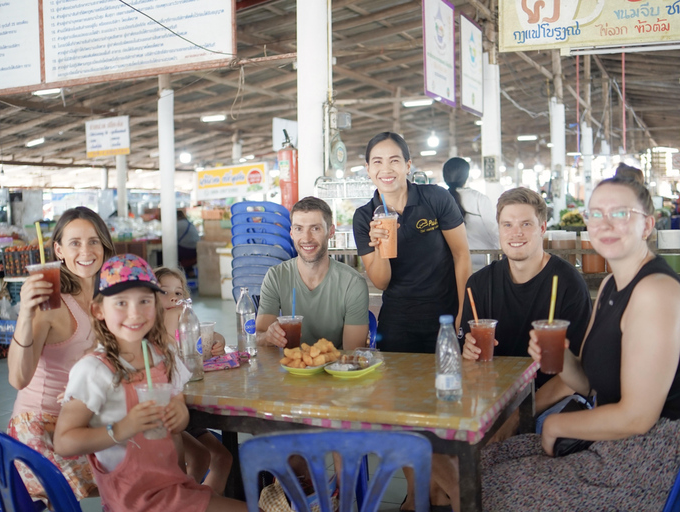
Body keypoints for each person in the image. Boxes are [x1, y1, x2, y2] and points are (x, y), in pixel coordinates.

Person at [437, 175, 680, 511]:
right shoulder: (612, 284)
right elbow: (589, 382)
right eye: (596, 214)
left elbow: (638, 417)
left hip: (647, 460)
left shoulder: (655, 293)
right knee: (475, 463)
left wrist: (554, 423)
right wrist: (562, 357)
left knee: (480, 483)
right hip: (612, 439)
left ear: (647, 225)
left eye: (620, 213)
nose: (605, 223)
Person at [53, 254, 246, 512]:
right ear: (98, 310)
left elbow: (178, 412)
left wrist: (179, 416)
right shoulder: (94, 370)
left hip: (173, 488)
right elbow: (64, 442)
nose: (134, 313)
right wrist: (121, 429)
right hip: (133, 501)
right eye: (121, 302)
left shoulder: (162, 355)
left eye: (144, 301)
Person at [7, 206, 116, 502]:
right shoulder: (50, 304)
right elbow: (18, 378)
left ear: (105, 245)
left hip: (84, 419)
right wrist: (26, 315)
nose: (86, 251)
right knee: (126, 475)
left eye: (94, 241)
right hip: (42, 427)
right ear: (58, 250)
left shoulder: (108, 298)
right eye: (75, 243)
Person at [459, 187, 592, 394]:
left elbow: (578, 374)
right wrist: (468, 353)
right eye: (507, 225)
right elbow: (467, 364)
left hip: (550, 401)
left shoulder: (568, 283)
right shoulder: (479, 284)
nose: (516, 233)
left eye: (526, 224)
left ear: (542, 228)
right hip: (494, 396)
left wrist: (525, 413)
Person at [353, 132, 472, 353]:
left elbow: (461, 256)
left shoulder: (436, 198)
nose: (386, 169)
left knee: (449, 383)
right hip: (397, 322)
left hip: (445, 317)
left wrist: (463, 314)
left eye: (394, 160)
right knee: (398, 386)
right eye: (377, 162)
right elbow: (381, 282)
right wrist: (380, 247)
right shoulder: (364, 216)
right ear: (368, 169)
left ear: (408, 166)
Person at [155, 266, 232, 494]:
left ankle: (196, 502)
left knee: (221, 457)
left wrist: (217, 341)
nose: (172, 297)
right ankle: (188, 501)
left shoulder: (183, 320)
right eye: (164, 291)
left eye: (178, 293)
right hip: (168, 410)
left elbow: (208, 337)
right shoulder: (154, 326)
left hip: (184, 405)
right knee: (203, 456)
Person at [257, 196, 369, 350]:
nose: (306, 238)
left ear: (330, 231)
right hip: (290, 369)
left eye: (315, 228)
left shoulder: (352, 283)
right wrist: (268, 336)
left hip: (336, 369)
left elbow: (352, 353)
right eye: (299, 229)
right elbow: (259, 337)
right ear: (291, 233)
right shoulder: (276, 276)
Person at [442, 157, 499, 269]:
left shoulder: (440, 200)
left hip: (452, 263)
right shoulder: (479, 198)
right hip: (483, 261)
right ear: (466, 176)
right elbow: (494, 231)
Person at [177, 209, 200, 277]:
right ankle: (191, 273)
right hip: (195, 251)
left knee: (169, 252)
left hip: (186, 251)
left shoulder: (177, 224)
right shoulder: (189, 223)